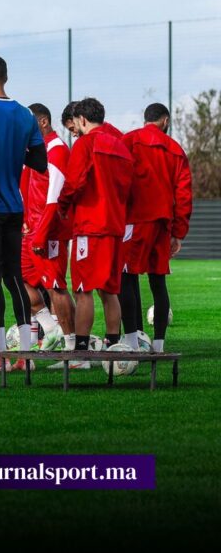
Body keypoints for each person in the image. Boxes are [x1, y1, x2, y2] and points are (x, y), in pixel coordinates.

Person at [0, 54, 48, 371]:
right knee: (14, 277)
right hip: (15, 206)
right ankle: (26, 354)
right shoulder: (25, 116)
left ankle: (0, 354)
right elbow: (40, 162)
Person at [56, 97, 134, 364]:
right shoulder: (121, 147)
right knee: (110, 291)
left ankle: (80, 351)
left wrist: (63, 205)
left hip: (90, 227)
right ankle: (114, 350)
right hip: (115, 228)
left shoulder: (86, 144)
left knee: (83, 288)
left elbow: (75, 181)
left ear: (83, 120)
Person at [119, 103, 193, 353]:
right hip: (162, 224)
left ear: (146, 119)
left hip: (134, 220)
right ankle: (159, 345)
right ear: (165, 120)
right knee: (158, 282)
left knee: (126, 278)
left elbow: (118, 178)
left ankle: (132, 341)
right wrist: (178, 232)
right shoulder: (175, 149)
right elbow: (183, 194)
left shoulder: (129, 141)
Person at [24, 104, 75, 362]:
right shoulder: (36, 150)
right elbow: (29, 188)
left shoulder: (56, 149)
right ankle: (52, 329)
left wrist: (41, 234)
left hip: (49, 232)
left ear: (43, 122)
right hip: (31, 229)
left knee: (57, 288)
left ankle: (73, 350)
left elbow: (54, 198)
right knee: (18, 277)